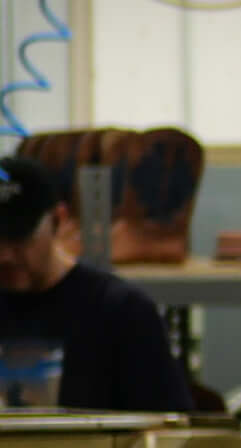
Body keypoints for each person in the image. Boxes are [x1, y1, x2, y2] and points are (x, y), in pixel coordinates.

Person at [0, 155, 194, 412]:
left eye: (19, 238)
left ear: (58, 220)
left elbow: (168, 432)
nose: (4, 255)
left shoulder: (121, 312)